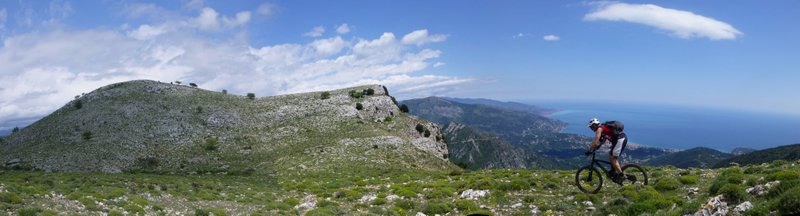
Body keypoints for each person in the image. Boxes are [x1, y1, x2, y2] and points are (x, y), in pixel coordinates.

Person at [585, 118, 628, 185]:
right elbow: (604, 139)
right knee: (611, 156)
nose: (591, 129)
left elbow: (595, 142)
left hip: (620, 139)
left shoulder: (599, 129)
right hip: (620, 139)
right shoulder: (603, 127)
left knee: (612, 158)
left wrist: (590, 150)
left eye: (591, 127)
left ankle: (621, 176)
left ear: (594, 125)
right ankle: (614, 173)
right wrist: (599, 146)